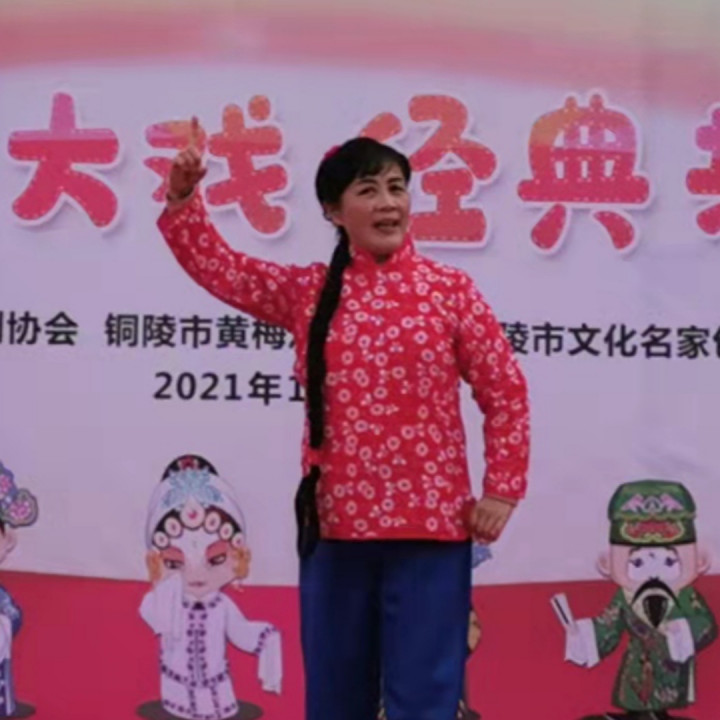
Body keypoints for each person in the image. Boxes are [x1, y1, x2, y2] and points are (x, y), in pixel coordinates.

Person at [156, 118, 530, 720]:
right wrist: (183, 196)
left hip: (431, 530)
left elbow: (504, 389)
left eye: (396, 188)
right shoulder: (310, 292)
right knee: (336, 695)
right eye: (368, 190)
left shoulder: (449, 290)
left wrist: (503, 489)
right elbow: (222, 269)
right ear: (334, 210)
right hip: (336, 528)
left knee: (426, 696)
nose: (388, 203)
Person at [558, 479, 717, 720]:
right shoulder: (625, 597)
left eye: (669, 561)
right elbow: (608, 626)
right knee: (634, 697)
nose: (653, 574)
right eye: (638, 562)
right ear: (607, 564)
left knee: (663, 698)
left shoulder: (686, 596)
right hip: (636, 665)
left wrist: (682, 629)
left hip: (670, 666)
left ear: (699, 561)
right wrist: (582, 634)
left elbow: (704, 624)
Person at [139, 454, 281, 720]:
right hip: (175, 697)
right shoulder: (163, 602)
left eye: (215, 559)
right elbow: (151, 612)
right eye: (175, 563)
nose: (195, 572)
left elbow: (242, 632)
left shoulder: (221, 606)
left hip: (218, 700)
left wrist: (267, 639)